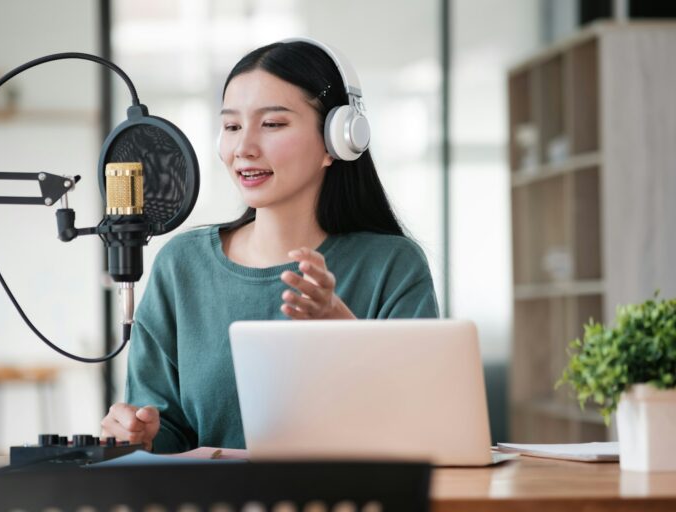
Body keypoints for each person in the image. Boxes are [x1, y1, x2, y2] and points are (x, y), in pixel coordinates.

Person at [100, 39, 439, 453]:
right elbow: (170, 430)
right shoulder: (181, 265)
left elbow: (423, 429)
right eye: (231, 126)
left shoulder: (393, 266)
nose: (243, 148)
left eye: (273, 124)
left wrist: (342, 331)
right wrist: (142, 435)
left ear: (338, 139)